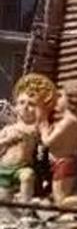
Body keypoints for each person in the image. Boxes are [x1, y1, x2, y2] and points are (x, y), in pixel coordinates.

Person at [38, 69, 77, 208]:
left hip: (63, 164)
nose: (58, 100)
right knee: (67, 196)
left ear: (71, 99)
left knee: (61, 201)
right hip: (69, 162)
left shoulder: (67, 122)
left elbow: (48, 142)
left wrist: (43, 128)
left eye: (61, 96)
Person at [0, 73, 55, 203]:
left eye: (31, 104)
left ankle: (25, 205)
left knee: (28, 176)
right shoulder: (9, 129)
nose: (25, 107)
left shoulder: (35, 129)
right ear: (16, 106)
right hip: (4, 167)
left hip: (22, 167)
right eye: (22, 103)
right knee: (3, 198)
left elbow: (46, 142)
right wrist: (7, 140)